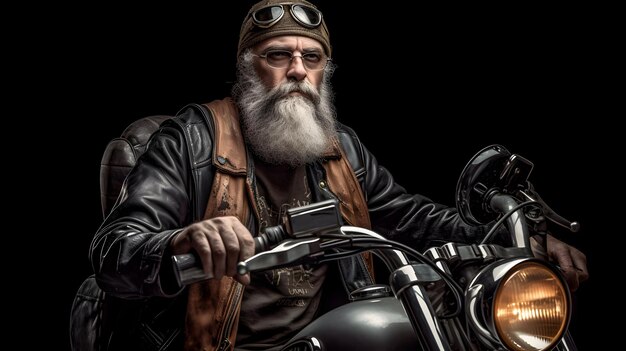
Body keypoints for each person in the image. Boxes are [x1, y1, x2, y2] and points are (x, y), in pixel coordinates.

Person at [89, 1, 589, 350]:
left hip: (327, 340)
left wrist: (514, 238)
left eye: (312, 57)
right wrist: (181, 241)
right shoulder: (191, 139)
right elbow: (114, 252)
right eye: (278, 55)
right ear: (248, 69)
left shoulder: (337, 146)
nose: (298, 70)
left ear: (324, 70)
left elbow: (405, 214)